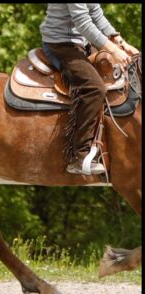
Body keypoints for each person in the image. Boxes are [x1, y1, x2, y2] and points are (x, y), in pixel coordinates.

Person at [39, 4, 139, 175]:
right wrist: (113, 50)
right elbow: (83, 22)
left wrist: (121, 42)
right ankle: (79, 156)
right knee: (94, 88)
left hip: (80, 43)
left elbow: (96, 14)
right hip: (60, 44)